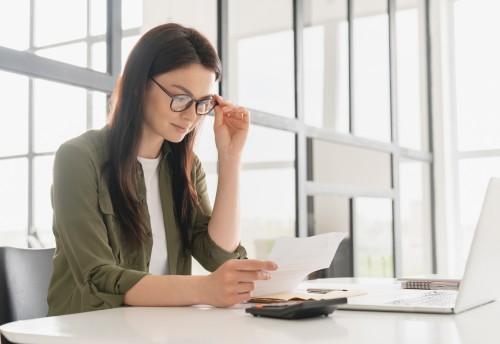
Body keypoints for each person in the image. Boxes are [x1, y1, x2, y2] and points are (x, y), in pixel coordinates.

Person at [47, 22, 277, 316]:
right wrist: (204, 289)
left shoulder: (186, 166)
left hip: (160, 327)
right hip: (87, 330)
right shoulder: (78, 158)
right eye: (180, 98)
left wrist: (230, 157)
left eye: (201, 102)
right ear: (140, 85)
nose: (192, 116)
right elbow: (99, 278)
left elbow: (218, 256)